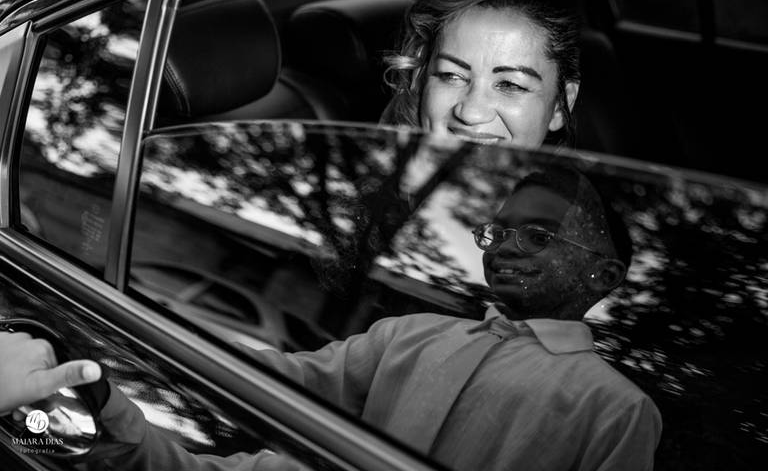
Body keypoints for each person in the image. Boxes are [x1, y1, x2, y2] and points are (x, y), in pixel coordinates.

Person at [0, 165, 661, 470]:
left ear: (604, 277)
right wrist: (108, 376)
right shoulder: (412, 335)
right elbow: (259, 383)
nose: (508, 246)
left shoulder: (616, 409)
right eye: (498, 232)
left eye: (540, 236)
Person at [383, 0, 581, 149]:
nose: (470, 113)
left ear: (560, 107)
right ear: (421, 78)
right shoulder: (371, 183)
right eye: (451, 76)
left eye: (511, 85)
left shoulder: (572, 195)